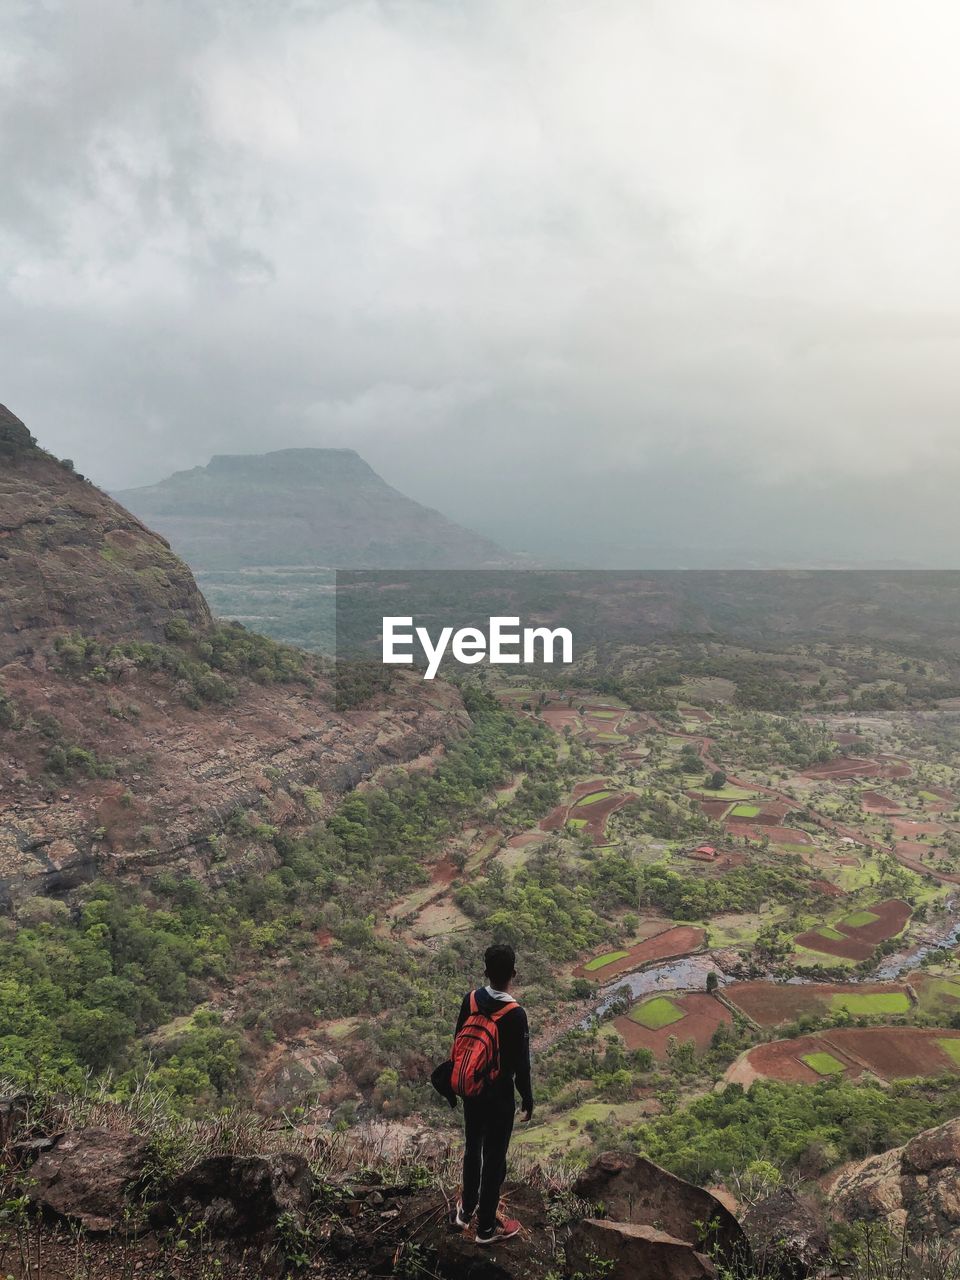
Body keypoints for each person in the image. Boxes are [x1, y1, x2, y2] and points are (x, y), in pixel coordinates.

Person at [452, 943, 533, 1245]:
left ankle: (465, 1211)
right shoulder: (515, 1014)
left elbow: (460, 1044)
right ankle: (486, 1227)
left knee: (473, 1148)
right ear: (514, 973)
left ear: (485, 971)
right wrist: (527, 1097)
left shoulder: (471, 1000)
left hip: (472, 1090)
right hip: (499, 1097)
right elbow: (520, 1065)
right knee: (495, 1158)